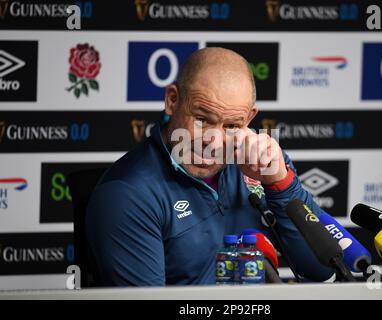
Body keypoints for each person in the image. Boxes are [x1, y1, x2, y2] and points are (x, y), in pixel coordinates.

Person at [86, 47, 334, 286]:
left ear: (249, 119)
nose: (214, 142)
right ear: (172, 100)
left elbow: (323, 268)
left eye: (231, 126)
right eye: (203, 120)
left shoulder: (263, 163)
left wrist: (280, 183)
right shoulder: (127, 194)